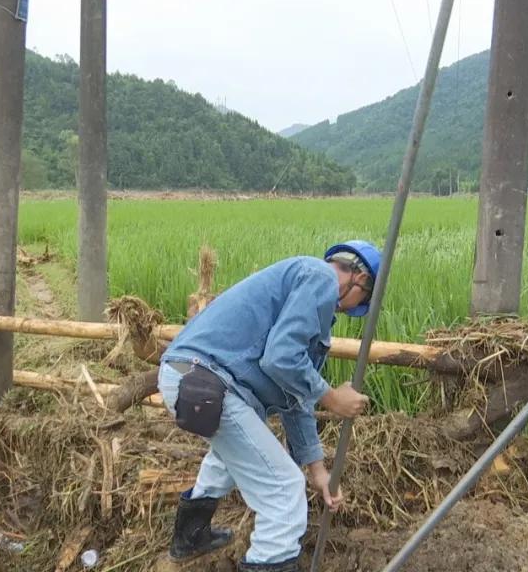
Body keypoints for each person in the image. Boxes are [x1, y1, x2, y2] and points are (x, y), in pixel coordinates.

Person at [157, 240, 380, 572]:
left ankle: (190, 539)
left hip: (187, 375)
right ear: (358, 279)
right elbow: (280, 359)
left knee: (228, 455)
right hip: (207, 379)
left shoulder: (301, 289)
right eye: (360, 301)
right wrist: (332, 397)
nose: (346, 310)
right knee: (284, 491)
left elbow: (295, 399)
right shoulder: (319, 276)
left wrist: (318, 471)